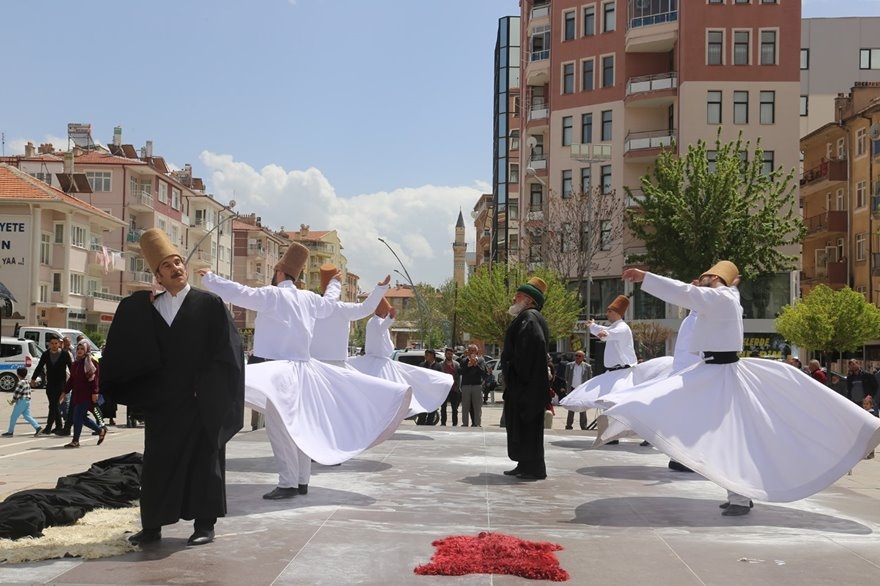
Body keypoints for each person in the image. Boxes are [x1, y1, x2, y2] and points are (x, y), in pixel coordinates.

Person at [610, 261, 880, 516]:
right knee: (726, 434)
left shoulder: (720, 298)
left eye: (705, 277)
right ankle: (737, 493)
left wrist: (646, 277)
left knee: (729, 435)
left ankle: (739, 494)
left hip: (720, 372)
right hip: (714, 370)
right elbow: (698, 293)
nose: (700, 281)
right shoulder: (728, 297)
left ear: (714, 279)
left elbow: (686, 292)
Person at [200, 243, 411, 502]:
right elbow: (336, 304)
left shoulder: (272, 295)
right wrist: (362, 287)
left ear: (279, 273)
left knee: (279, 428)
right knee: (301, 426)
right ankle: (301, 481)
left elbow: (240, 293)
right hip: (305, 370)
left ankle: (288, 482)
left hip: (281, 370)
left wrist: (210, 277)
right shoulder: (309, 299)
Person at [100, 228, 245, 547]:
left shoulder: (210, 303)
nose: (176, 268)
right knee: (157, 464)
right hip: (163, 404)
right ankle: (152, 527)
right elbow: (128, 339)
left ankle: (204, 525)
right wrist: (141, 302)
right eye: (167, 265)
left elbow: (229, 353)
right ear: (157, 275)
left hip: (200, 402)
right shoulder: (150, 308)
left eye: (178, 262)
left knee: (204, 464)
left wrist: (211, 392)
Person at [348, 300, 449, 424]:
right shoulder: (376, 322)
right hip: (379, 361)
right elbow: (382, 326)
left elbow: (383, 329)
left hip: (381, 360)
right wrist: (391, 317)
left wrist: (390, 317)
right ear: (381, 311)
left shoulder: (373, 322)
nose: (386, 314)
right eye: (386, 311)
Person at [501, 277, 550, 481]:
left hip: (525, 386)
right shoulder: (529, 317)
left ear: (530, 300)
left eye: (519, 296)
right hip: (528, 386)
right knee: (526, 428)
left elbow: (530, 348)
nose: (514, 298)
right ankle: (526, 465)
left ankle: (533, 468)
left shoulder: (529, 318)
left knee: (528, 427)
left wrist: (515, 369)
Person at [310, 263, 391, 367]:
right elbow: (366, 308)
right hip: (336, 364)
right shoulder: (342, 309)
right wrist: (380, 289)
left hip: (313, 363)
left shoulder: (311, 306)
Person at [62, 341, 106, 448]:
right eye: (78, 349)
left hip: (87, 394)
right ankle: (100, 431)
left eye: (82, 349)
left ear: (86, 350)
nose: (79, 351)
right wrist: (64, 391)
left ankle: (75, 441)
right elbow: (72, 380)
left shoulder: (91, 363)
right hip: (77, 394)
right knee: (81, 418)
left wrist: (95, 392)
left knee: (77, 417)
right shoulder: (75, 363)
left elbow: (95, 379)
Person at [31, 335, 71, 435]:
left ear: (59, 344)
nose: (54, 345)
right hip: (50, 384)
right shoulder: (46, 354)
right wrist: (33, 378)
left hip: (61, 383)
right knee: (53, 405)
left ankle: (48, 427)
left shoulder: (65, 354)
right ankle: (58, 426)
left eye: (56, 343)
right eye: (52, 343)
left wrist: (74, 381)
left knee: (54, 405)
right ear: (49, 344)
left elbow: (71, 368)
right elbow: (40, 366)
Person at [588, 295, 637, 373]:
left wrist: (605, 334)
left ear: (617, 313)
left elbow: (612, 332)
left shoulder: (623, 327)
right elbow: (603, 329)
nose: (607, 314)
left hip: (622, 371)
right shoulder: (614, 327)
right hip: (615, 371)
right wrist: (592, 326)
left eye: (610, 311)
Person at [2, 367, 42, 437]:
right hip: (27, 400)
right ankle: (38, 427)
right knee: (27, 416)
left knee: (13, 416)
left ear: (18, 374)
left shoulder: (20, 382)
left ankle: (10, 431)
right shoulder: (27, 381)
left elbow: (17, 393)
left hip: (21, 401)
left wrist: (13, 400)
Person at [458, 344, 487, 427]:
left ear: (476, 351)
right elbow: (460, 371)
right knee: (465, 406)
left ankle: (477, 423)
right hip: (466, 386)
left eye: (473, 350)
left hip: (477, 386)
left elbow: (483, 373)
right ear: (468, 352)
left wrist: (475, 365)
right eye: (470, 350)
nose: (472, 352)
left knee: (477, 406)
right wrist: (468, 366)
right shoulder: (464, 360)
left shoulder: (481, 360)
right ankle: (465, 423)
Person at [563, 351, 592, 430]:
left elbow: (590, 379)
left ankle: (583, 426)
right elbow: (566, 377)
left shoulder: (587, 366)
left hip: (582, 390)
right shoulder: (569, 365)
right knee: (571, 408)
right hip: (572, 388)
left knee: (582, 408)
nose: (577, 357)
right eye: (576, 355)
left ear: (583, 357)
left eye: (579, 356)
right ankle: (569, 425)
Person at [416, 349, 443, 425]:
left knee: (431, 414)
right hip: (423, 394)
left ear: (432, 356)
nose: (425, 356)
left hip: (433, 394)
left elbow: (441, 379)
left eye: (427, 355)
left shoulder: (438, 366)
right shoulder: (422, 365)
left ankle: (429, 427)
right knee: (422, 414)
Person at [439, 348, 462, 427]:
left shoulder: (457, 364)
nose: (450, 355)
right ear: (445, 354)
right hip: (444, 390)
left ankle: (455, 423)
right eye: (448, 354)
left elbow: (459, 377)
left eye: (451, 354)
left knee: (454, 408)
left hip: (454, 389)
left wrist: (458, 387)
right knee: (443, 408)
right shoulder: (441, 364)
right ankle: (443, 423)